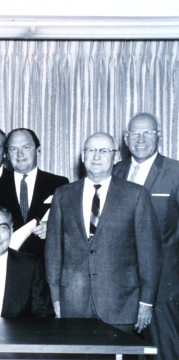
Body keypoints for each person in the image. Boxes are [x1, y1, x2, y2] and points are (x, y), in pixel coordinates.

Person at [46, 132, 162, 335]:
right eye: (91, 150)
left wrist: (146, 302)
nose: (96, 156)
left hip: (122, 305)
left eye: (104, 151)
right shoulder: (63, 194)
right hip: (72, 304)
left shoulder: (135, 195)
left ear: (116, 157)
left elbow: (149, 254)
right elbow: (53, 252)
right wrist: (56, 298)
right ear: (82, 156)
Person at [113, 113, 179, 359]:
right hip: (121, 289)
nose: (140, 140)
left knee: (166, 353)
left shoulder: (175, 172)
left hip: (164, 288)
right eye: (134, 134)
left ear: (159, 136)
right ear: (126, 139)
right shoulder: (114, 172)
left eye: (147, 133)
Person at [0, 128, 69, 261]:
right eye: (13, 149)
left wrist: (52, 229)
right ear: (7, 154)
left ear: (38, 150)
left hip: (45, 264)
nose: (19, 154)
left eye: (25, 147)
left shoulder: (59, 184)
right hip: (7, 264)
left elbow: (70, 225)